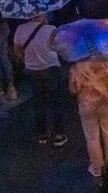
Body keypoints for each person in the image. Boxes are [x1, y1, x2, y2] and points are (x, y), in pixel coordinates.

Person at [14, 13, 68, 147]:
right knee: (56, 101)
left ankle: (42, 135)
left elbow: (17, 52)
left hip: (32, 71)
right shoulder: (51, 29)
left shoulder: (20, 29)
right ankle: (59, 135)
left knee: (39, 102)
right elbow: (61, 48)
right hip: (51, 69)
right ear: (43, 14)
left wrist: (28, 60)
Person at [69, 58, 108, 177]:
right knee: (107, 133)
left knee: (92, 137)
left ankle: (97, 168)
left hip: (86, 105)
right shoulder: (103, 63)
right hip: (104, 102)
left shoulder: (76, 67)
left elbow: (73, 90)